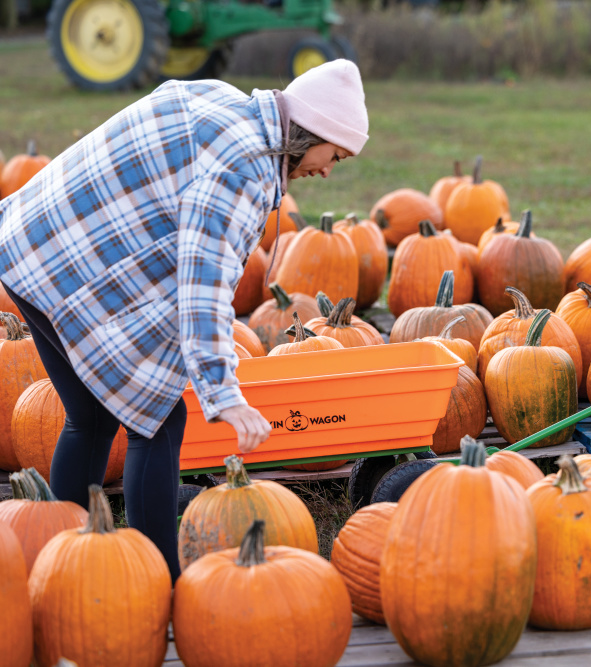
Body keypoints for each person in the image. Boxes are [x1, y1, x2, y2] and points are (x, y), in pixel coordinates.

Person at [0, 60, 369, 581]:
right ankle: (163, 584)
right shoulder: (242, 170)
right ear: (313, 133)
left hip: (30, 242)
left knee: (95, 418)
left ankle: (60, 566)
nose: (329, 170)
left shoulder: (223, 100)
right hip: (63, 264)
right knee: (160, 424)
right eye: (335, 155)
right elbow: (204, 287)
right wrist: (223, 394)